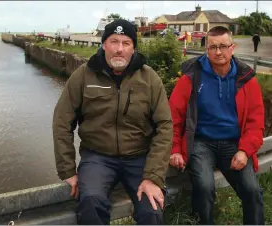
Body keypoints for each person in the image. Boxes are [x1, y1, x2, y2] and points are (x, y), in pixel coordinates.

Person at [52, 19, 173, 225]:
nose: (119, 49)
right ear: (103, 44)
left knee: (151, 209)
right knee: (90, 202)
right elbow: (62, 122)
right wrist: (68, 170)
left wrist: (153, 177)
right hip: (97, 157)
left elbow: (165, 126)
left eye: (126, 43)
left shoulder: (149, 78)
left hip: (139, 157)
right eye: (113, 42)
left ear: (133, 47)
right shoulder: (83, 76)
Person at [169, 25, 265, 225]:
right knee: (204, 187)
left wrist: (244, 151)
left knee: (252, 191)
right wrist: (176, 149)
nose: (218, 52)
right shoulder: (191, 77)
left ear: (232, 47)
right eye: (213, 47)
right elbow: (173, 118)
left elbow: (255, 123)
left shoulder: (247, 79)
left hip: (234, 144)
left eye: (223, 46)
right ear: (206, 49)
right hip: (201, 143)